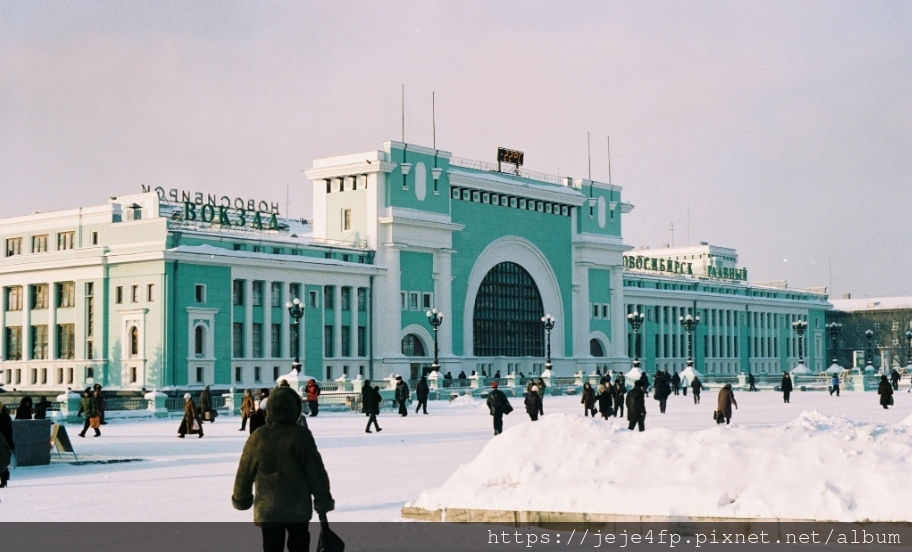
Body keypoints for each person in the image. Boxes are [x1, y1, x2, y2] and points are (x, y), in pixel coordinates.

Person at [232, 386, 335, 552]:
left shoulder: (258, 437)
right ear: (294, 409)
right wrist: (322, 499)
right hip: (298, 508)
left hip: (268, 508)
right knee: (299, 546)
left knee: (272, 546)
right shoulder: (301, 435)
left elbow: (244, 473)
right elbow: (316, 472)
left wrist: (241, 498)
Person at [0, 401, 13, 488]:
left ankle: (4, 479)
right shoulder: (5, 416)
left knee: (3, 461)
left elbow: (8, 431)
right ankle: (3, 479)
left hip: (3, 441)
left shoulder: (5, 417)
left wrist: (9, 442)